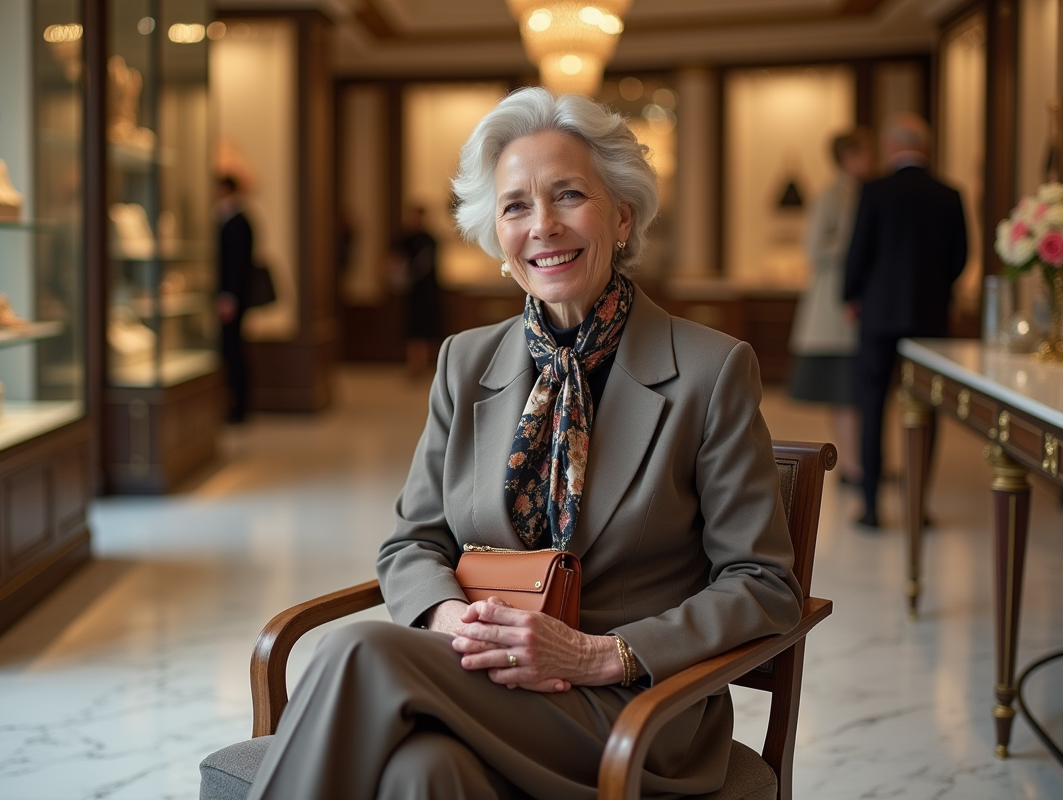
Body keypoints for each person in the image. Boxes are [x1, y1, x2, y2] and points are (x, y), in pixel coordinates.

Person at [243, 87, 803, 799]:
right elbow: (410, 544)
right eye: (515, 206)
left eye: (569, 195)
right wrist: (451, 622)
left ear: (622, 216)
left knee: (358, 648)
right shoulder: (464, 361)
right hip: (480, 681)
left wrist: (599, 654)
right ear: (496, 236)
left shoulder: (711, 370)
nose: (543, 225)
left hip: (630, 712)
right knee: (425, 774)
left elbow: (764, 586)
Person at [843, 114, 968, 529]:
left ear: (893, 148)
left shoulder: (875, 191)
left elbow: (858, 249)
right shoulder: (949, 194)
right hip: (930, 318)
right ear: (925, 148)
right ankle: (918, 507)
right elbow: (960, 257)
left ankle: (872, 508)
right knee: (925, 412)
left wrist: (851, 295)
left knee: (873, 407)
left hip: (877, 315)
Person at [788, 129, 874, 487]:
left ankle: (858, 462)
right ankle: (853, 465)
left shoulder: (859, 192)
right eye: (864, 153)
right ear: (849, 156)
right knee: (843, 390)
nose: (870, 161)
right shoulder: (830, 195)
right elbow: (813, 249)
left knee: (853, 390)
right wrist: (854, 242)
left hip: (851, 305)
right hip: (832, 307)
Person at [216, 174, 253, 423]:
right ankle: (234, 404)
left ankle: (239, 407)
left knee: (234, 350)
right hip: (231, 296)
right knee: (232, 350)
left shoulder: (238, 222)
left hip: (232, 298)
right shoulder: (229, 219)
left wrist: (229, 295)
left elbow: (238, 265)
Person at [390, 205, 443, 377]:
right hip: (412, 293)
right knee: (413, 330)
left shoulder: (430, 239)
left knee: (429, 328)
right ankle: (413, 364)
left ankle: (428, 364)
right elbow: (393, 261)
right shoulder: (404, 238)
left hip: (429, 292)